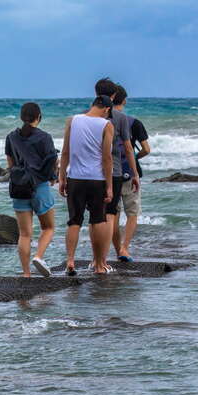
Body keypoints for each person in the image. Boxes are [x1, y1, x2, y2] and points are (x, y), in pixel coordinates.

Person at [58, 95, 115, 275]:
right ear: (106, 109)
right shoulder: (106, 125)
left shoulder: (72, 120)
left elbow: (65, 151)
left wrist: (61, 177)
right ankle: (99, 265)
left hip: (75, 178)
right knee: (97, 220)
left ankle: (70, 262)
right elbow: (107, 158)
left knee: (74, 221)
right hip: (96, 179)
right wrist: (109, 186)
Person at [5, 102, 58, 278]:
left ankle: (26, 273)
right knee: (48, 227)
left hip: (19, 187)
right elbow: (52, 162)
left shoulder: (11, 137)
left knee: (25, 234)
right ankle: (38, 256)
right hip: (39, 186)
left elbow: (10, 164)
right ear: (39, 117)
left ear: (21, 117)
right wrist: (53, 178)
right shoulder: (45, 137)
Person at [94, 78, 140, 264]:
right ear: (114, 96)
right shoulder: (122, 119)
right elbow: (130, 149)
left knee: (97, 217)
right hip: (117, 173)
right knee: (113, 215)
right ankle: (111, 255)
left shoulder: (83, 117)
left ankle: (98, 258)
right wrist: (136, 173)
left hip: (91, 173)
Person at [111, 87, 151, 262]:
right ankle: (124, 248)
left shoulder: (102, 120)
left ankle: (115, 248)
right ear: (124, 101)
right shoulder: (134, 122)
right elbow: (146, 149)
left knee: (113, 213)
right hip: (129, 172)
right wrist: (135, 157)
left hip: (108, 172)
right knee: (132, 213)